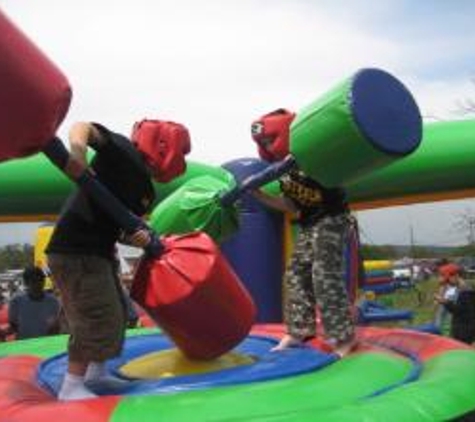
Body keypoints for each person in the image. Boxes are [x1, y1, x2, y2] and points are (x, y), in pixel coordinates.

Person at [46, 119, 191, 401]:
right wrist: (77, 152)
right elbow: (83, 127)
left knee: (117, 314)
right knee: (95, 315)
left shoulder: (145, 191)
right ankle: (71, 385)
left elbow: (120, 226)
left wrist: (136, 238)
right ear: (165, 146)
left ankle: (96, 373)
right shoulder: (123, 151)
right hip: (76, 249)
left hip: (98, 251)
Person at [249, 109, 357, 357]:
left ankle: (343, 337)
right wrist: (260, 195)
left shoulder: (313, 157)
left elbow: (340, 167)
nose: (266, 146)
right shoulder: (283, 171)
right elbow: (292, 205)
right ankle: (299, 331)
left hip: (332, 218)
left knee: (324, 274)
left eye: (269, 139)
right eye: (262, 143)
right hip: (309, 223)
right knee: (296, 273)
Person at [4, 266, 60, 340]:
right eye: (34, 281)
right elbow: (13, 326)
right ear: (26, 283)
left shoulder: (54, 302)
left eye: (41, 280)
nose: (38, 283)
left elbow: (57, 325)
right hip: (24, 345)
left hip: (47, 344)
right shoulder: (16, 301)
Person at [434, 266, 475, 345]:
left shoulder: (466, 290)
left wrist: (444, 302)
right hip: (458, 328)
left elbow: (460, 310)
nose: (447, 283)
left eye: (448, 280)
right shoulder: (457, 288)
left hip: (463, 331)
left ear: (456, 276)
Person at [433, 259, 461, 332]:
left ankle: (440, 331)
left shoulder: (445, 270)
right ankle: (442, 330)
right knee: (445, 315)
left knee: (444, 315)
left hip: (448, 299)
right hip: (452, 296)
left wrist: (438, 298)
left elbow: (442, 283)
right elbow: (443, 282)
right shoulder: (451, 268)